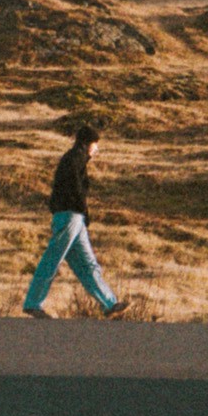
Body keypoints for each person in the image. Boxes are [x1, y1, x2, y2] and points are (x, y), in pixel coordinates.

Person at [22, 124, 127, 317]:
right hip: (70, 217)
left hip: (73, 218)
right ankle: (33, 303)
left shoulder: (74, 159)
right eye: (95, 145)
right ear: (87, 144)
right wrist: (81, 209)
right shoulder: (75, 159)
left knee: (87, 264)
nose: (97, 150)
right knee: (53, 261)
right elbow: (74, 190)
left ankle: (109, 303)